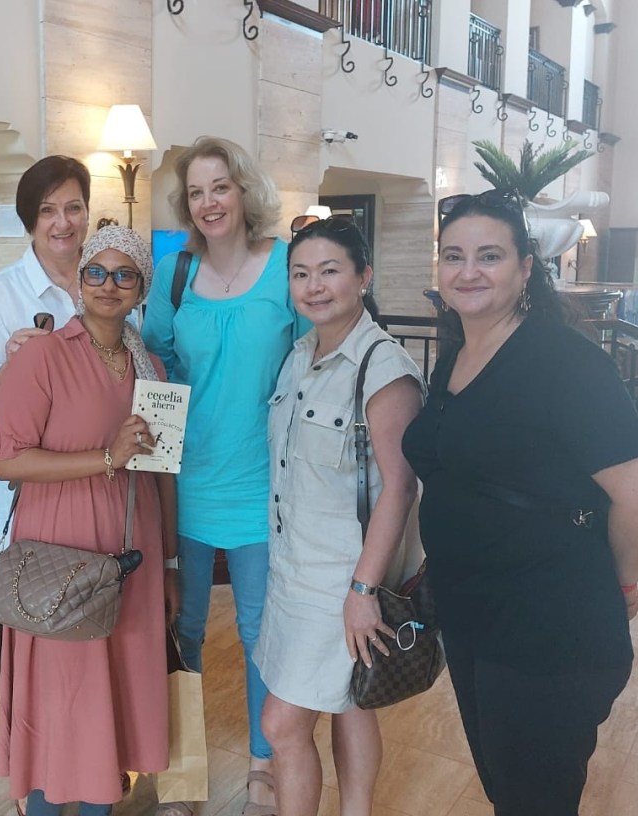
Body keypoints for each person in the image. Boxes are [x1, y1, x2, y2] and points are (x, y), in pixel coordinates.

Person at [401, 189, 638, 815]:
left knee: (533, 800)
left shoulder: (563, 361)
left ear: (526, 268)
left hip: (546, 628)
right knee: (508, 789)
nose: (468, 271)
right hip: (473, 612)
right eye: (454, 256)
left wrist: (619, 583)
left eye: (489, 256)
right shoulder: (457, 353)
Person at [0, 226, 179, 816]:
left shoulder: (152, 368)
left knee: (116, 681)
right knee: (61, 689)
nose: (108, 285)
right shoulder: (44, 356)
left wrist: (170, 563)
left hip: (131, 547)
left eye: (124, 275)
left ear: (141, 288)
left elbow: (162, 473)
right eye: (96, 271)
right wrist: (105, 458)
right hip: (61, 545)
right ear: (78, 281)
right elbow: (6, 458)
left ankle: (100, 801)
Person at [141, 135, 306, 816]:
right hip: (186, 480)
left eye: (221, 187)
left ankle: (265, 764)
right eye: (197, 192)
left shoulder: (287, 266)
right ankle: (182, 774)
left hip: (264, 483)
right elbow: (153, 365)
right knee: (182, 626)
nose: (209, 202)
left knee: (260, 628)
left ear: (244, 191)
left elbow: (314, 357)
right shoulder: (173, 273)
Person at [255, 217, 425, 816]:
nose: (314, 286)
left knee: (280, 724)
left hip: (342, 579)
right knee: (350, 703)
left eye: (330, 271)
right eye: (301, 274)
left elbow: (399, 488)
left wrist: (363, 590)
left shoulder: (383, 368)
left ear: (363, 276)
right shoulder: (300, 354)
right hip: (291, 569)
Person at [0, 155, 91, 570]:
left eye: (73, 208)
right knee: (29, 593)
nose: (63, 223)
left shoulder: (111, 283)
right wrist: (15, 367)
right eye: (47, 210)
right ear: (29, 220)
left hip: (102, 469)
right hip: (28, 484)